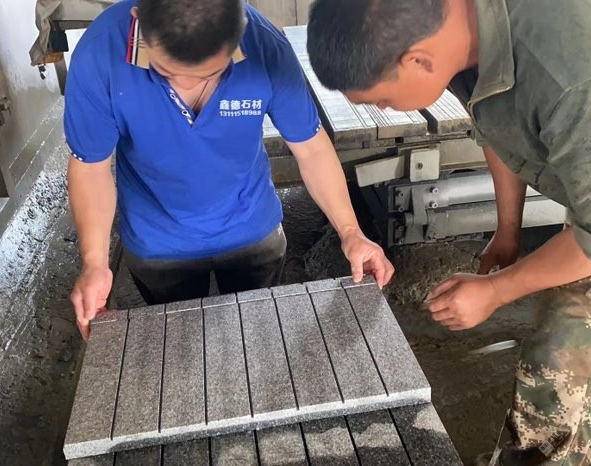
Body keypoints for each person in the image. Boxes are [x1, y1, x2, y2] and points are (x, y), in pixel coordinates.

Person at [307, 0, 591, 464]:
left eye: (381, 101)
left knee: (573, 318)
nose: (381, 108)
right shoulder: (461, 30)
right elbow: (499, 126)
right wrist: (508, 232)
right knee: (568, 268)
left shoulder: (570, 67)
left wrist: (497, 291)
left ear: (417, 59)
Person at [65, 0, 394, 340]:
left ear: (240, 31)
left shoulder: (265, 47)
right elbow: (91, 168)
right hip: (158, 241)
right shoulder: (99, 54)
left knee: (255, 337)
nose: (187, 85)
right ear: (139, 20)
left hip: (251, 228)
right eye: (166, 71)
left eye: (210, 74)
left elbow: (311, 149)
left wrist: (351, 232)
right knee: (179, 344)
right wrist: (94, 263)